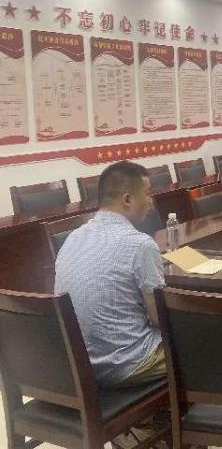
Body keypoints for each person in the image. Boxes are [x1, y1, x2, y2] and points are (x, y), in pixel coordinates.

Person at [55, 161, 166, 388]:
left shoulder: (72, 238)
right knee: (203, 339)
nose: (151, 201)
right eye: (147, 194)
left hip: (79, 367)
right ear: (128, 199)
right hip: (128, 365)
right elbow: (159, 318)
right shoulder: (140, 245)